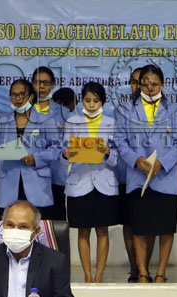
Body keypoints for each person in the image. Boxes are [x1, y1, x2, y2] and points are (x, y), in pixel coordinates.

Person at [116, 64, 177, 283]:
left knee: (165, 228)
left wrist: (162, 163)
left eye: (155, 84)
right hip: (138, 176)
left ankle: (161, 273)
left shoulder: (173, 109)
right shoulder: (125, 108)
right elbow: (120, 141)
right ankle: (143, 272)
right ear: (139, 85)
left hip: (164, 177)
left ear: (162, 85)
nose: (150, 87)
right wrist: (136, 160)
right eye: (146, 83)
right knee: (139, 227)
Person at [62, 82, 119, 283]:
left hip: (104, 183)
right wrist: (66, 153)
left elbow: (118, 156)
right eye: (87, 100)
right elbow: (64, 152)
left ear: (102, 101)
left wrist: (108, 153)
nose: (92, 105)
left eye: (96, 100)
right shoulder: (72, 121)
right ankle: (87, 276)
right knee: (83, 231)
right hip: (80, 184)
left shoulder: (112, 123)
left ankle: (99, 276)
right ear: (82, 101)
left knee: (102, 231)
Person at [0, 79, 59, 220]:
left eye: (21, 94)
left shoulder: (46, 120)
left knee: (39, 232)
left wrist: (36, 158)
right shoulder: (1, 122)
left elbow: (56, 148)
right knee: (8, 231)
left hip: (37, 184)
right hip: (8, 183)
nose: (17, 98)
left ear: (31, 96)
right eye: (13, 94)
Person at [115, 67, 151, 282]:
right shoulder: (123, 109)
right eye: (135, 81)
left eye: (144, 81)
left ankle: (145, 266)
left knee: (150, 223)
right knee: (129, 223)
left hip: (150, 174)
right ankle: (134, 267)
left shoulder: (160, 107)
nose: (139, 86)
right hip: (126, 174)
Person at [31, 67, 68, 221]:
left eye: (46, 83)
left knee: (55, 225)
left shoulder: (65, 112)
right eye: (38, 82)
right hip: (33, 175)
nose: (42, 87)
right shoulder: (25, 111)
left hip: (57, 176)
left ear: (53, 85)